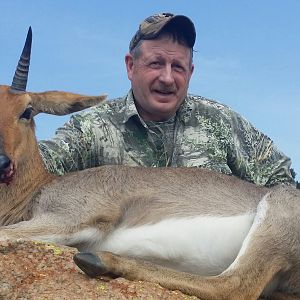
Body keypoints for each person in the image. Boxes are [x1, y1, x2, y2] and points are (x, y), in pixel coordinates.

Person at [39, 12, 295, 187]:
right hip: (118, 260)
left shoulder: (221, 121)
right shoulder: (91, 127)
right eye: (156, 63)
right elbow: (39, 165)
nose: (167, 78)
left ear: (191, 73)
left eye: (178, 67)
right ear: (131, 67)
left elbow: (279, 176)